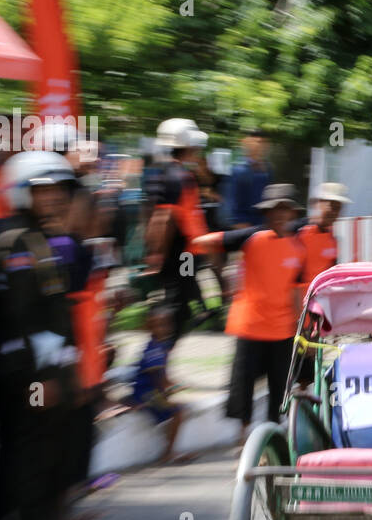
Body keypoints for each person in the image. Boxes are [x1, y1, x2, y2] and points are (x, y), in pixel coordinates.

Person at [0, 150, 84, 520]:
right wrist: (45, 376)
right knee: (34, 453)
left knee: (50, 449)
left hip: (48, 368)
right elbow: (19, 317)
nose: (54, 199)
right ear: (22, 193)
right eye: (43, 190)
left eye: (59, 191)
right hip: (32, 373)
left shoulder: (39, 240)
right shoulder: (17, 242)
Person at [194, 184, 305, 441]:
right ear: (266, 213)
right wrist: (220, 274)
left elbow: (296, 289)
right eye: (275, 210)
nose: (280, 215)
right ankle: (242, 436)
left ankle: (274, 436)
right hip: (251, 325)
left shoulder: (298, 248)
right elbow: (204, 242)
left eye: (285, 210)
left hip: (282, 329)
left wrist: (300, 324)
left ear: (292, 214)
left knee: (279, 386)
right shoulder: (251, 237)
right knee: (243, 384)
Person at [144, 118, 211, 339]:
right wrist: (158, 255)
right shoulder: (178, 177)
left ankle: (199, 309)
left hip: (186, 253)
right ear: (188, 145)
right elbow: (164, 219)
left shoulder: (168, 174)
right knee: (177, 306)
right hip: (180, 254)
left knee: (183, 296)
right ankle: (159, 353)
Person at [128, 304, 188, 463]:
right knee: (178, 412)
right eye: (158, 325)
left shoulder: (160, 346)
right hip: (146, 393)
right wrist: (171, 390)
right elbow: (158, 379)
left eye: (165, 324)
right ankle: (168, 452)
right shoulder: (154, 349)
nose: (163, 328)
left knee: (178, 409)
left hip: (150, 390)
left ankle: (170, 450)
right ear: (149, 327)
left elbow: (163, 376)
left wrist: (174, 385)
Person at [295, 182, 350, 286]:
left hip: (323, 294)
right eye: (331, 206)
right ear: (316, 204)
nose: (335, 213)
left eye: (338, 208)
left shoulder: (335, 236)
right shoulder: (297, 232)